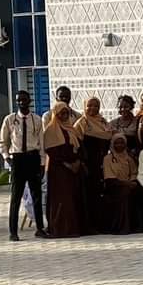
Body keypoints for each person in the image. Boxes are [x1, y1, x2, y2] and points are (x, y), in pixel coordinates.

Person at [0, 90, 47, 241]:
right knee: (16, 197)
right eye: (19, 100)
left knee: (36, 195)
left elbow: (42, 143)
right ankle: (13, 231)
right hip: (17, 159)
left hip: (33, 158)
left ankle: (40, 228)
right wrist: (7, 158)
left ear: (29, 101)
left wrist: (42, 162)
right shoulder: (10, 119)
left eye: (24, 100)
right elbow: (1, 141)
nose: (21, 103)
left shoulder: (37, 120)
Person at [44, 102, 86, 238]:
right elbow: (51, 151)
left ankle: (72, 229)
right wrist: (67, 164)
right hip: (58, 170)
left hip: (73, 169)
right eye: (61, 113)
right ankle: (59, 229)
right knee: (61, 199)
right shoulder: (50, 130)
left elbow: (78, 148)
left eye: (66, 113)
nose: (63, 116)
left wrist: (77, 162)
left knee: (72, 198)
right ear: (55, 114)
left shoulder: (71, 129)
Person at [74, 97, 112, 232]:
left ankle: (101, 224)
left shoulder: (103, 122)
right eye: (89, 106)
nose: (93, 109)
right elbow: (76, 146)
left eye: (96, 106)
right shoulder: (81, 124)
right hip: (87, 164)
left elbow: (109, 139)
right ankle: (88, 226)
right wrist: (82, 163)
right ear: (84, 107)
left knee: (100, 194)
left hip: (101, 164)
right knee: (88, 195)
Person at [101, 133, 140, 235]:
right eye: (117, 143)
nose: (119, 145)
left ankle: (137, 226)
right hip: (113, 186)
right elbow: (109, 178)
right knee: (124, 193)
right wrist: (126, 184)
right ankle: (122, 227)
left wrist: (132, 182)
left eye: (122, 143)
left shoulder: (129, 158)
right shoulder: (108, 159)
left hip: (129, 185)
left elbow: (134, 172)